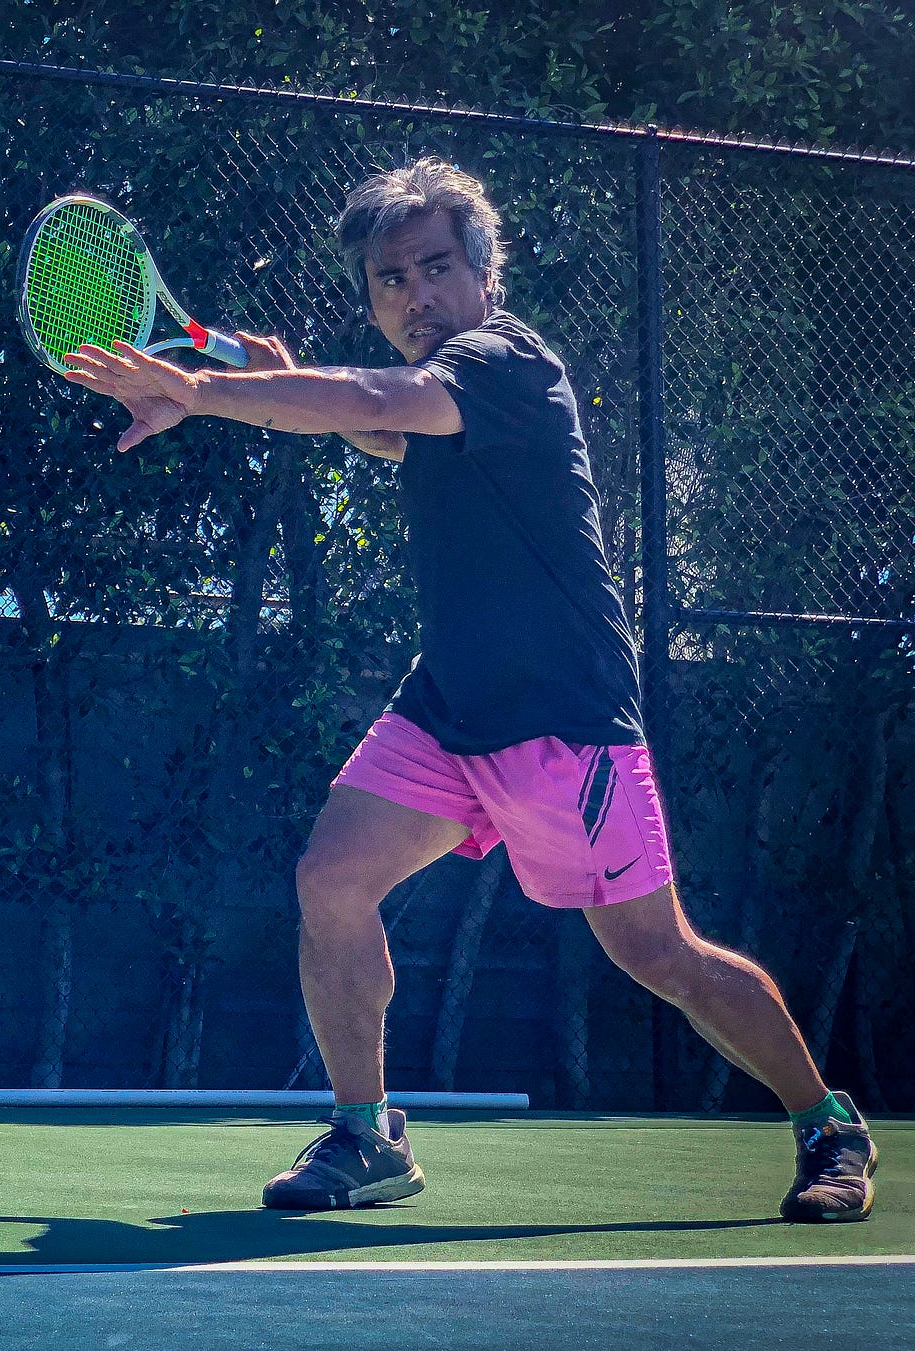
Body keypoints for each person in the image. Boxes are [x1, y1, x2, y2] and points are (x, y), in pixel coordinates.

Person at [62, 158, 877, 1223]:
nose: (414, 296)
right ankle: (365, 1134)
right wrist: (256, 382)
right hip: (447, 705)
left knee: (655, 952)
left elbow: (368, 398)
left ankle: (825, 1123)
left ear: (484, 274)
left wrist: (209, 389)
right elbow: (376, 422)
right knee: (331, 876)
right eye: (389, 281)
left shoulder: (506, 360)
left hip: (562, 718)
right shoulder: (444, 386)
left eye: (435, 268)